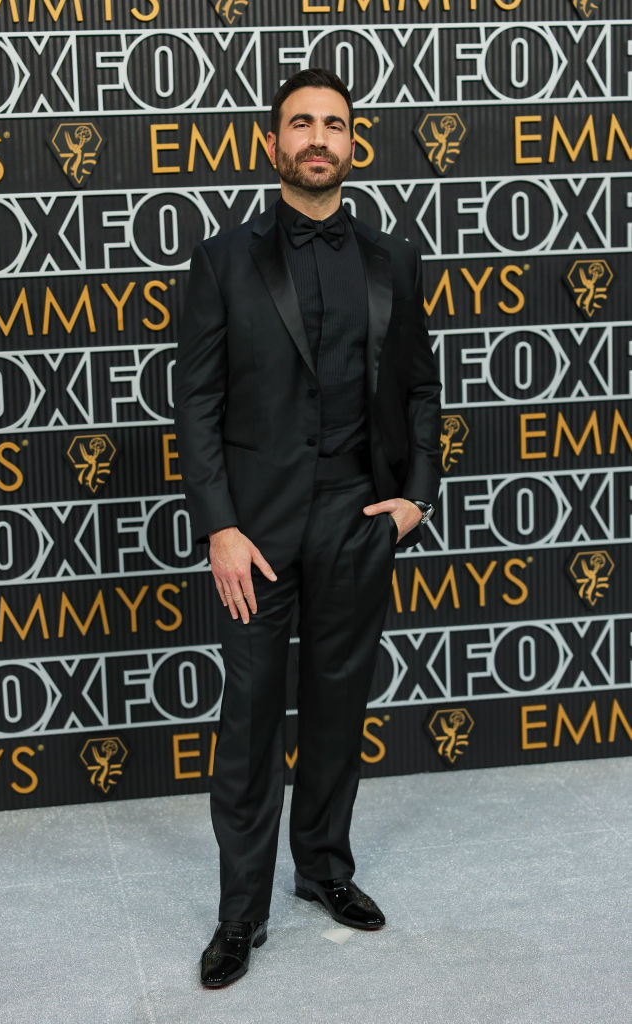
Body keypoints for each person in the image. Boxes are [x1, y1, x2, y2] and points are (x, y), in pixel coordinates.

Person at [174, 68, 442, 988]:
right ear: (272, 142)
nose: (317, 137)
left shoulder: (393, 258)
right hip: (255, 531)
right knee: (250, 722)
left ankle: (324, 870)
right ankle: (239, 913)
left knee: (337, 710)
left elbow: (419, 385)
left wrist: (415, 497)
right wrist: (218, 528)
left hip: (357, 520)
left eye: (334, 123)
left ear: (353, 143)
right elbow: (196, 404)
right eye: (300, 124)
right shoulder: (221, 259)